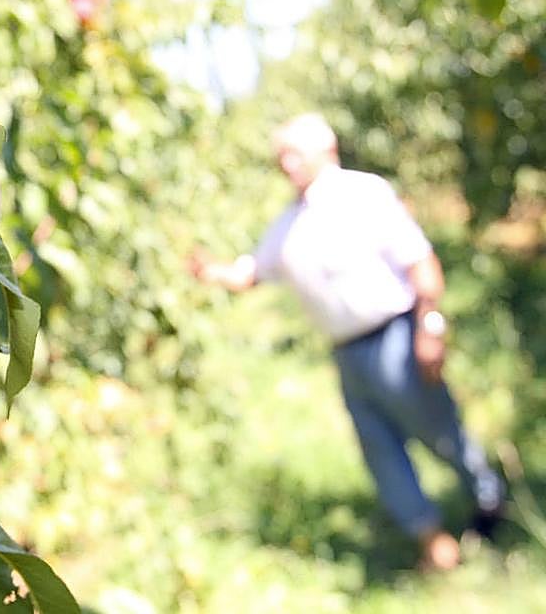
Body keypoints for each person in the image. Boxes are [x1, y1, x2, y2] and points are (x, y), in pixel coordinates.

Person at [190, 113, 503, 571]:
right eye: (281, 156)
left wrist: (429, 327)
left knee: (440, 432)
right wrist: (212, 271)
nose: (287, 164)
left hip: (396, 335)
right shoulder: (288, 224)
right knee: (380, 450)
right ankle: (431, 539)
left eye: (295, 153)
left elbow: (419, 261)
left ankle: (488, 500)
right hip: (348, 354)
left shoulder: (362, 194)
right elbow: (253, 272)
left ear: (326, 150)